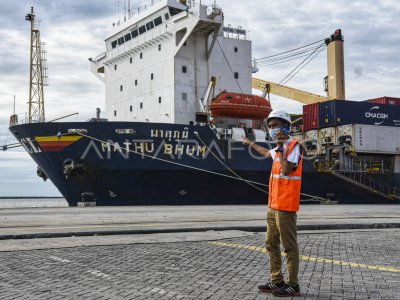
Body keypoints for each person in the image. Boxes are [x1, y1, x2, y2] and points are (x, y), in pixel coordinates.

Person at [243, 109, 303, 297]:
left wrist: (281, 147)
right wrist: (250, 143)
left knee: (289, 246)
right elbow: (266, 152)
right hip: (273, 204)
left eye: (275, 126)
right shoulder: (277, 149)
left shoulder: (294, 146)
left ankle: (293, 284)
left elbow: (286, 170)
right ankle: (276, 280)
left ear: (286, 126)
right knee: (270, 242)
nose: (271, 129)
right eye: (269, 126)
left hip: (286, 205)